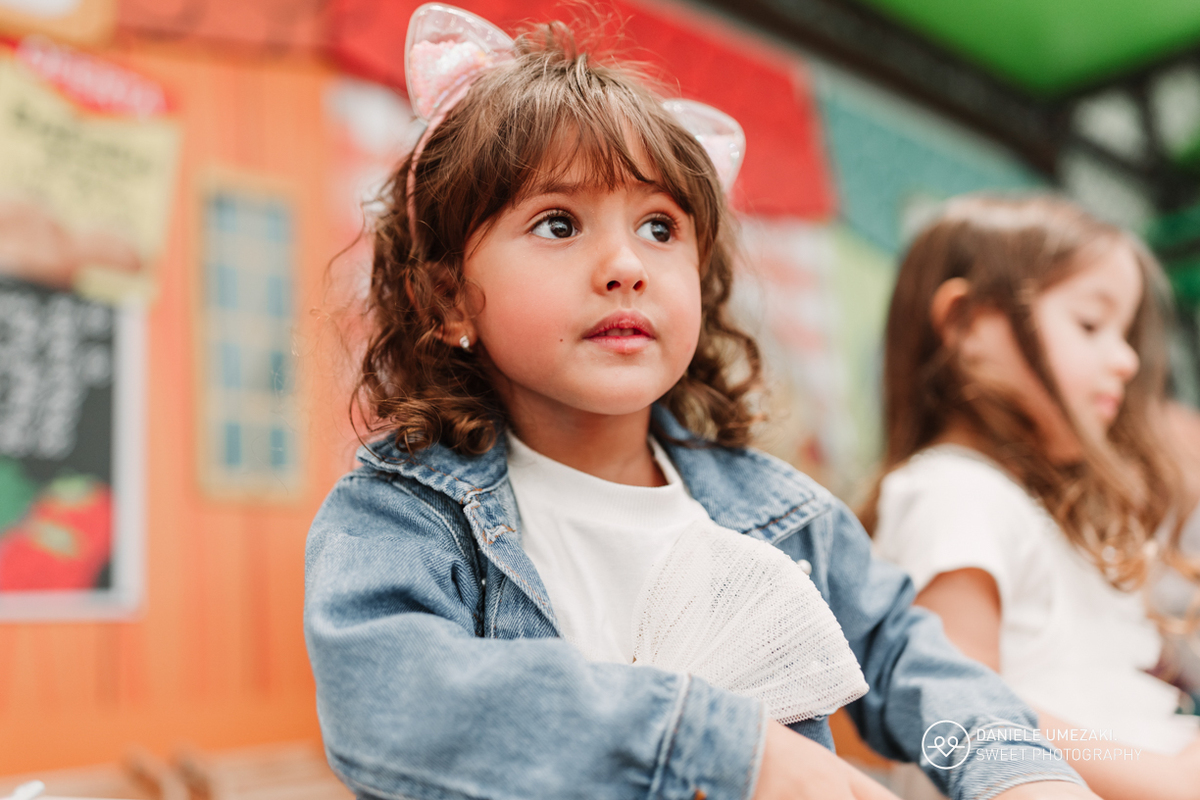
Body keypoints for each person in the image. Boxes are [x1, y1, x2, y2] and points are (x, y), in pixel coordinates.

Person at [304, 7, 1092, 800]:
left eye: (659, 226)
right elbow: (387, 699)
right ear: (447, 300)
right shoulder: (403, 519)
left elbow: (911, 659)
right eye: (557, 222)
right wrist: (729, 748)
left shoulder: (784, 516)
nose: (624, 266)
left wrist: (1016, 772)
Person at [867, 195, 1200, 799]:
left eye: (1125, 335)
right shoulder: (954, 491)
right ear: (966, 323)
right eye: (1091, 325)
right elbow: (958, 710)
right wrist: (1166, 776)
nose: (1125, 360)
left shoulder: (1013, 503)